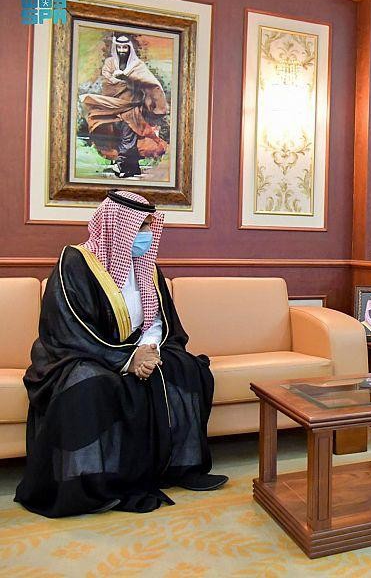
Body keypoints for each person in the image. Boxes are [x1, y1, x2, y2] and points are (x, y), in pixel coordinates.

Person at [15, 190, 226, 518]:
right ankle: (90, 482)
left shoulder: (147, 268)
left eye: (150, 226)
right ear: (118, 226)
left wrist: (148, 350)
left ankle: (179, 468)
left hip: (138, 349)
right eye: (141, 226)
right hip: (78, 353)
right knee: (90, 382)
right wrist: (126, 360)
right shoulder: (75, 262)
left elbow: (159, 320)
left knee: (185, 368)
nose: (147, 234)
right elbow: (69, 327)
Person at [80, 34, 168, 178]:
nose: (121, 50)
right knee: (114, 133)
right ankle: (131, 168)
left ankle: (123, 164)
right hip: (113, 107)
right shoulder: (110, 63)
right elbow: (108, 83)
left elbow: (149, 83)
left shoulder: (137, 66)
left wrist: (128, 78)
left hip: (131, 108)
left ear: (130, 48)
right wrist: (118, 80)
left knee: (129, 134)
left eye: (125, 47)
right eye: (119, 47)